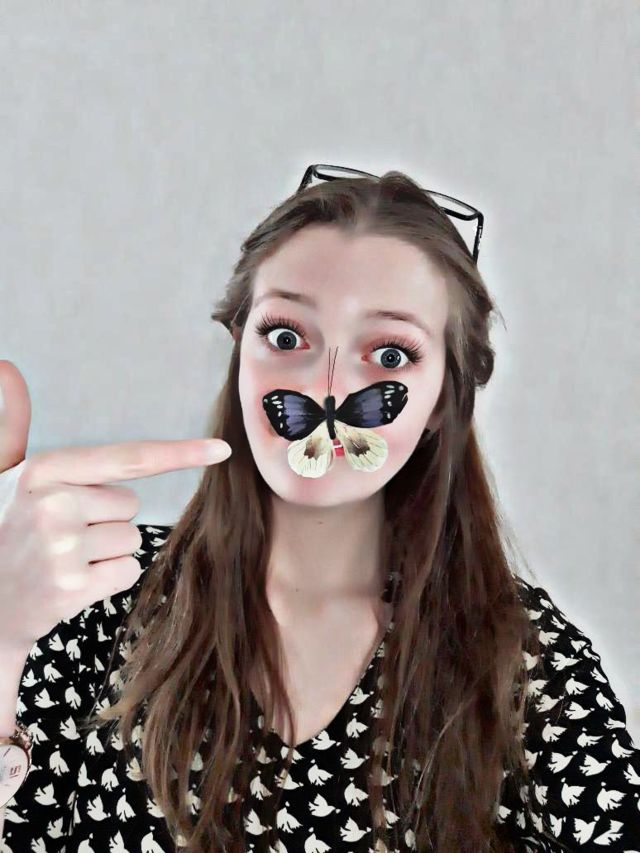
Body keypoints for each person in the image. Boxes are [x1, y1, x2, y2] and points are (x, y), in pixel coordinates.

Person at [0, 168, 638, 852]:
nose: (326, 386)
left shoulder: (524, 662)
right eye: (286, 337)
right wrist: (3, 634)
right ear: (240, 354)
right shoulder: (92, 590)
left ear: (441, 403)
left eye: (389, 353)